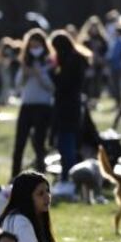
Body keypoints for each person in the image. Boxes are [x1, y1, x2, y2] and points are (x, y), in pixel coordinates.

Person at [12, 28, 54, 178]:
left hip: (43, 106)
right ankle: (14, 175)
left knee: (39, 143)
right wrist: (24, 73)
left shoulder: (49, 62)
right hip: (26, 105)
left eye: (37, 46)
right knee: (19, 143)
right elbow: (17, 85)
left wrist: (39, 74)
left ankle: (40, 174)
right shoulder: (25, 62)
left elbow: (51, 87)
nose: (34, 49)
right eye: (31, 46)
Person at [49, 30, 90, 181]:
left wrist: (52, 73)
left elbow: (63, 84)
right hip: (73, 106)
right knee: (67, 144)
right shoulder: (77, 59)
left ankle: (69, 177)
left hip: (67, 108)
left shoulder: (71, 61)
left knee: (66, 146)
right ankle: (68, 177)